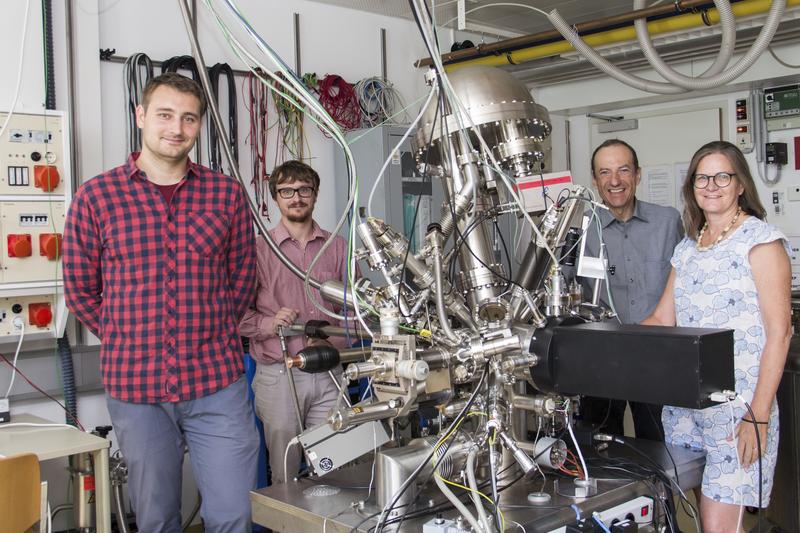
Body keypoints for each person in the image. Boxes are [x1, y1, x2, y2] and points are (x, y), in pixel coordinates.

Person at [63, 73, 259, 532]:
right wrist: (127, 337)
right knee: (155, 518)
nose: (176, 128)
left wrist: (206, 332)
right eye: (165, 115)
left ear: (199, 126)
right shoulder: (97, 197)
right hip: (136, 390)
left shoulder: (226, 195)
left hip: (217, 384)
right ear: (141, 117)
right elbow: (79, 290)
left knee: (235, 514)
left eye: (188, 118)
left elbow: (242, 282)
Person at [643, 141, 791, 532]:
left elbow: (781, 332)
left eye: (722, 176)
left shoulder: (761, 243)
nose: (711, 185)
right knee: (711, 519)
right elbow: (663, 317)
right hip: (687, 406)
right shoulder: (688, 247)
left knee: (719, 527)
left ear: (740, 183)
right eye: (701, 177)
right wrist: (606, 341)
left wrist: (757, 416)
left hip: (739, 410)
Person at [240, 160, 354, 484]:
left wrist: (334, 341)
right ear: (275, 197)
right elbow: (235, 318)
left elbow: (357, 312)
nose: (296, 197)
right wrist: (269, 323)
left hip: (330, 372)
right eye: (286, 191)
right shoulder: (257, 251)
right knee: (285, 476)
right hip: (280, 375)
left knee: (335, 469)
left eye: (304, 190)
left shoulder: (338, 247)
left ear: (315, 195)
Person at [579, 139, 683, 441]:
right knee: (601, 446)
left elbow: (685, 287)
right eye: (605, 172)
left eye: (623, 170)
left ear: (638, 175)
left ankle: (662, 491)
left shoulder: (668, 222)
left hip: (658, 357)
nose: (615, 181)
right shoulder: (582, 228)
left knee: (662, 444)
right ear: (595, 180)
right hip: (601, 357)